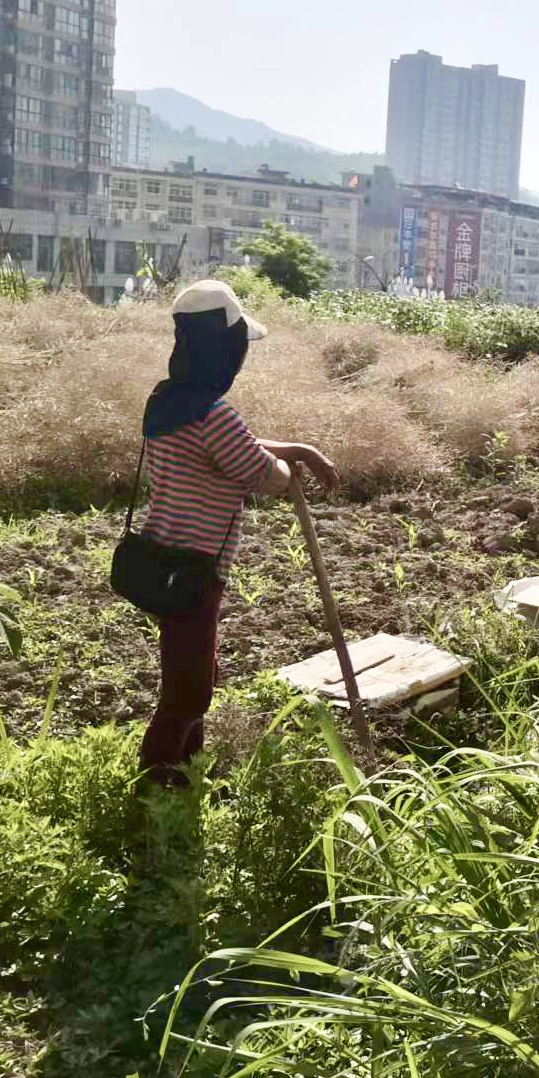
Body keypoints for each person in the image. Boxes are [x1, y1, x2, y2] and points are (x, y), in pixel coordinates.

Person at [136, 280, 337, 787]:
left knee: (190, 679)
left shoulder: (168, 400)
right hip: (195, 570)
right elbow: (265, 475)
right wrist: (291, 466)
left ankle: (185, 776)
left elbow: (230, 439)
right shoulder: (214, 414)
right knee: (188, 695)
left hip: (162, 559)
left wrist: (299, 447)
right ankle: (154, 793)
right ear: (222, 352)